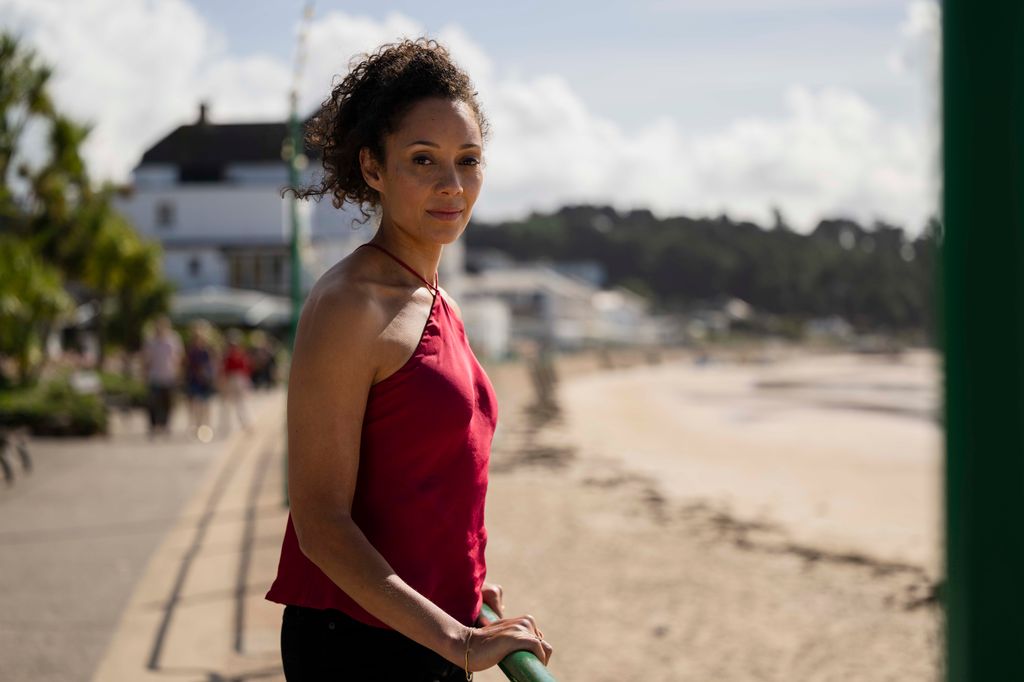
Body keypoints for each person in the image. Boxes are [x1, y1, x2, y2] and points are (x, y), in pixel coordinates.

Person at [265, 38, 553, 680]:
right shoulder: (349, 304)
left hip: (423, 626)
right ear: (373, 168)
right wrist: (458, 639)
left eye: (468, 160)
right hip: (359, 645)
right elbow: (320, 522)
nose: (452, 185)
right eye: (423, 160)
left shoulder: (436, 298)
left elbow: (420, 481)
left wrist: (463, 583)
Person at [140, 315, 183, 438]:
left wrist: (178, 373)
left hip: (169, 375)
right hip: (154, 376)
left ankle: (165, 425)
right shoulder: (150, 340)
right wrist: (144, 374)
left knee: (167, 403)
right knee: (153, 403)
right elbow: (145, 359)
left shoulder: (173, 339)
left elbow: (179, 357)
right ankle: (153, 425)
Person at [183, 320, 217, 442]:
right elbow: (186, 364)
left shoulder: (207, 350)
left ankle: (205, 426)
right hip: (194, 379)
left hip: (205, 381)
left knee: (205, 405)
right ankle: (195, 425)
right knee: (194, 404)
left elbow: (212, 365)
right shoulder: (190, 350)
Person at [219, 329, 252, 434]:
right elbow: (224, 370)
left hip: (238, 380)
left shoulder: (240, 355)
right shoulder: (227, 356)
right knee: (226, 404)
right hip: (230, 380)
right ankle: (226, 425)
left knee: (240, 404)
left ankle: (245, 423)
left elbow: (245, 369)